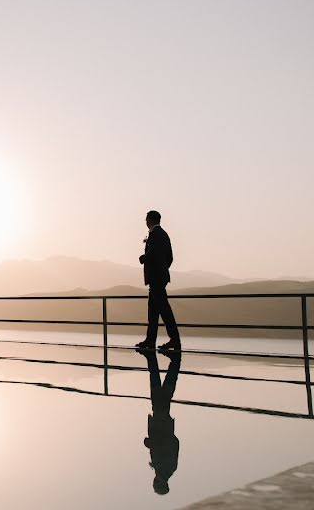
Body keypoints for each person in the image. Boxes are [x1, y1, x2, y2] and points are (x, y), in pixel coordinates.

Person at [138, 348, 182, 495]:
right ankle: (173, 359)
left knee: (164, 386)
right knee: (159, 383)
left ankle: (173, 360)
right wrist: (152, 442)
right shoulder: (166, 467)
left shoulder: (164, 468)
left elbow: (173, 443)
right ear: (162, 483)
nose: (155, 481)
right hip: (161, 420)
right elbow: (171, 443)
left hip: (161, 420)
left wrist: (152, 442)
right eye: (156, 483)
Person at [136, 210, 181, 351]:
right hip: (159, 277)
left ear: (150, 220)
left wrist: (144, 258)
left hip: (156, 278)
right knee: (153, 311)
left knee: (164, 310)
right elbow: (170, 257)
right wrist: (163, 269)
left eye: (146, 219)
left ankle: (174, 340)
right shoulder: (163, 235)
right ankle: (150, 340)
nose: (145, 222)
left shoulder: (155, 235)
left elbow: (153, 254)